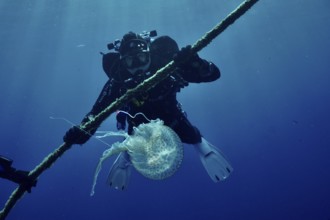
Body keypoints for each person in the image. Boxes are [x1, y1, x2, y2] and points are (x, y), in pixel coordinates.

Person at [64, 30, 233, 190]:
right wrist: (83, 130)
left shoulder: (167, 64)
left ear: (149, 55)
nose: (137, 65)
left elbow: (213, 75)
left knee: (191, 135)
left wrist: (197, 64)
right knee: (134, 141)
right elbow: (97, 111)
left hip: (171, 115)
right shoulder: (118, 80)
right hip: (138, 126)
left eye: (141, 58)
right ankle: (125, 158)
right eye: (131, 61)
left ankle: (204, 150)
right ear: (123, 63)